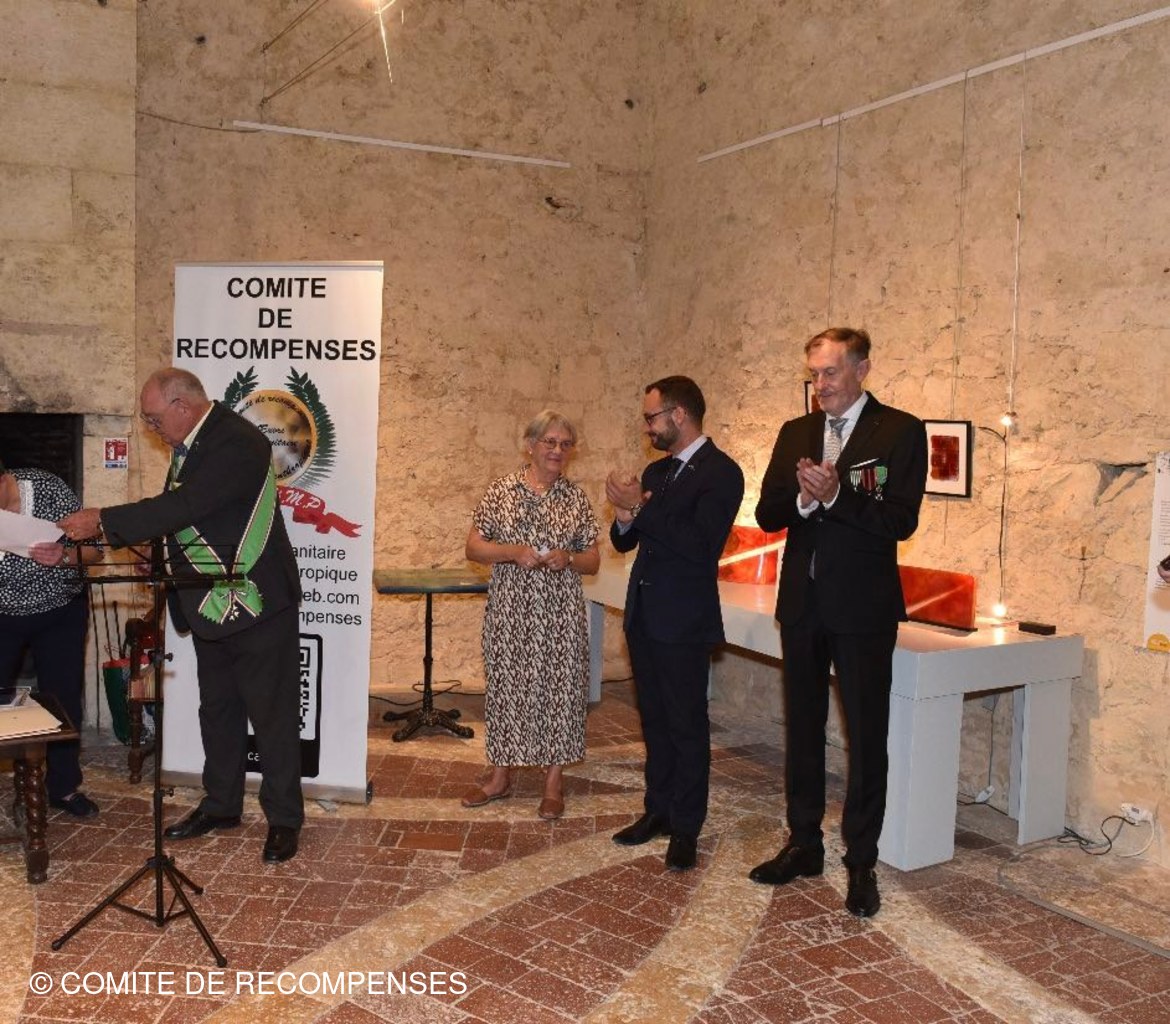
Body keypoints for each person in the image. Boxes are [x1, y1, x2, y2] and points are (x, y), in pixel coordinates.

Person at [59, 368, 304, 863]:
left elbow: (188, 504)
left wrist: (103, 520)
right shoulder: (194, 442)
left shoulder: (236, 441)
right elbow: (198, 520)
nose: (153, 429)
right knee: (218, 711)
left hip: (256, 603)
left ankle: (284, 818)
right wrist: (157, 555)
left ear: (182, 407)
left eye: (154, 419)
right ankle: (221, 805)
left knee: (271, 717)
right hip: (211, 601)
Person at [752, 327, 927, 917]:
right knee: (802, 729)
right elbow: (769, 512)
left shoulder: (900, 430)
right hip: (802, 603)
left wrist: (834, 497)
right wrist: (804, 501)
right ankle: (804, 842)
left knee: (865, 735)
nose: (819, 385)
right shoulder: (795, 432)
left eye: (829, 372)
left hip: (863, 609)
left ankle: (861, 860)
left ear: (861, 369)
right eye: (813, 374)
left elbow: (901, 520)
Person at [605, 376, 744, 871]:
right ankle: (657, 811)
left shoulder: (722, 473)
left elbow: (699, 544)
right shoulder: (657, 471)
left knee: (686, 725)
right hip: (645, 614)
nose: (648, 428)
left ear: (679, 414)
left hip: (684, 621)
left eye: (652, 418)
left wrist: (638, 508)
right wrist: (624, 515)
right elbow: (625, 542)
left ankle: (686, 827)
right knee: (655, 721)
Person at [464, 410, 600, 819]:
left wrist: (568, 557)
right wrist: (512, 551)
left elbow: (593, 560)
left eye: (565, 444)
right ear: (530, 445)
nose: (558, 450)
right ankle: (499, 777)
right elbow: (474, 548)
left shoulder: (575, 498)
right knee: (506, 689)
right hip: (511, 612)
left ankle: (553, 783)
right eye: (550, 442)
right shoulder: (501, 491)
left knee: (562, 693)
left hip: (560, 616)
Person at [0, 460, 103, 817]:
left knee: (63, 697)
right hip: (2, 614)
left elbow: (95, 550)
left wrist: (64, 556)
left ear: (4, 479)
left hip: (59, 611)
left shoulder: (48, 489)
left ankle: (63, 787)